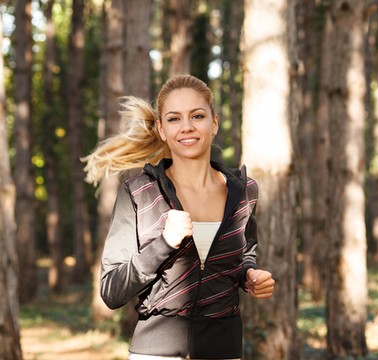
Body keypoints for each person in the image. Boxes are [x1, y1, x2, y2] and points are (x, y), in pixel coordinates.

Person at [83, 74, 275, 359]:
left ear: (214, 123)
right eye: (174, 119)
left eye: (197, 116)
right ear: (161, 129)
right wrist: (164, 242)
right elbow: (111, 291)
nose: (187, 127)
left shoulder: (244, 190)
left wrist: (250, 275)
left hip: (223, 347)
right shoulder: (140, 192)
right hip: (155, 352)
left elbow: (245, 252)